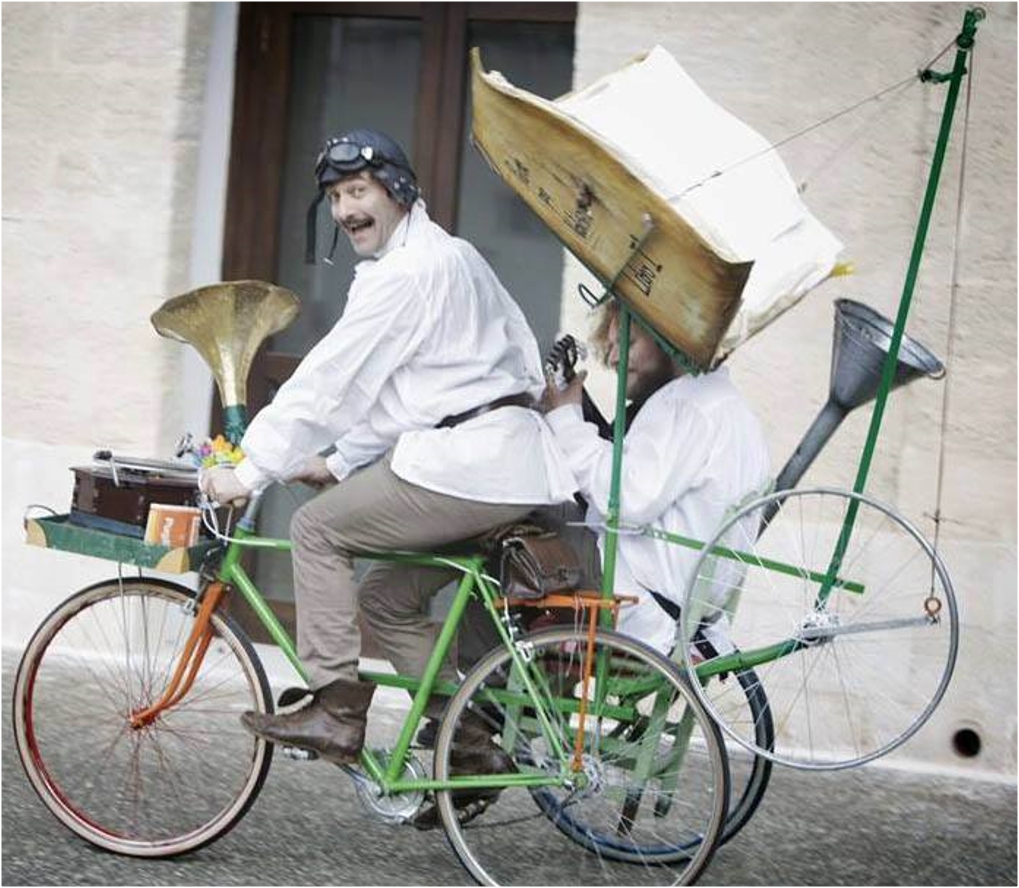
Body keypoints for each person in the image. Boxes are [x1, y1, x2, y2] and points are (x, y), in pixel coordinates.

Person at [200, 129, 575, 770]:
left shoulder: (405, 275)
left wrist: (250, 469)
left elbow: (331, 382)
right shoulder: (456, 255)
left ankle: (335, 711)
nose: (345, 210)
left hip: (467, 466)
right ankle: (471, 742)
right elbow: (420, 386)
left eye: (357, 190)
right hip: (518, 469)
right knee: (385, 599)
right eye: (335, 197)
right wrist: (341, 461)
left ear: (397, 189)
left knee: (316, 529)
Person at [541, 302, 770, 655]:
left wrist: (566, 417)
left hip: (644, 604)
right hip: (687, 612)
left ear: (669, 336)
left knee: (511, 519)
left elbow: (625, 499)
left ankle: (485, 691)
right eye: (612, 346)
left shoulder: (684, 404)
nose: (614, 358)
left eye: (627, 344)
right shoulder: (726, 404)